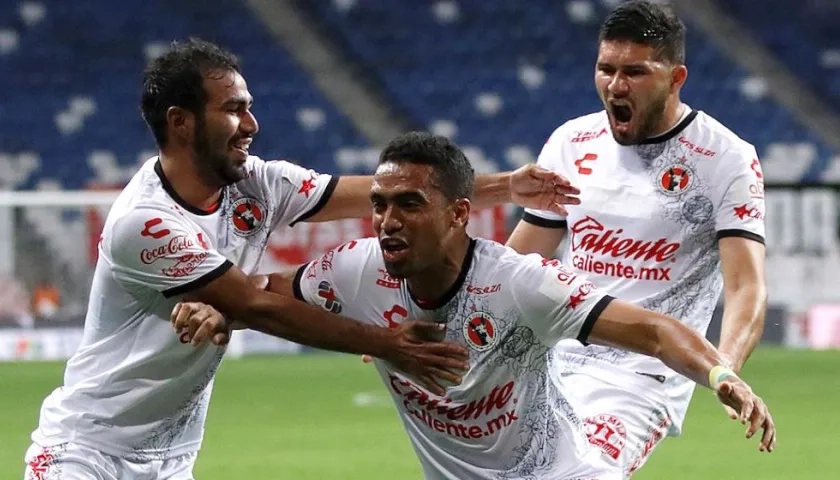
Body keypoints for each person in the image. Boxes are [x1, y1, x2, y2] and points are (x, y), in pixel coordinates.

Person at [23, 38, 581, 479]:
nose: (251, 124)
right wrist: (385, 343)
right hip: (89, 450)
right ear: (181, 122)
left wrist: (506, 186)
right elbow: (257, 307)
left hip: (170, 457)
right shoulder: (142, 223)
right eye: (234, 109)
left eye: (250, 108)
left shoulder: (256, 184)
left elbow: (378, 191)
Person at [176, 132, 775, 480]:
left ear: (459, 213)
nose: (387, 221)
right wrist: (223, 309)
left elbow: (652, 330)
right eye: (380, 204)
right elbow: (266, 293)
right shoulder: (357, 271)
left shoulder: (522, 284)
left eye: (408, 204)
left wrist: (721, 374)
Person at [504, 1, 770, 475]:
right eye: (606, 69)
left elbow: (745, 285)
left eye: (636, 71)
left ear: (676, 77)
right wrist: (443, 311)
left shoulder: (724, 158)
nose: (616, 85)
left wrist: (722, 368)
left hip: (643, 376)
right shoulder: (571, 142)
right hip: (551, 357)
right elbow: (520, 256)